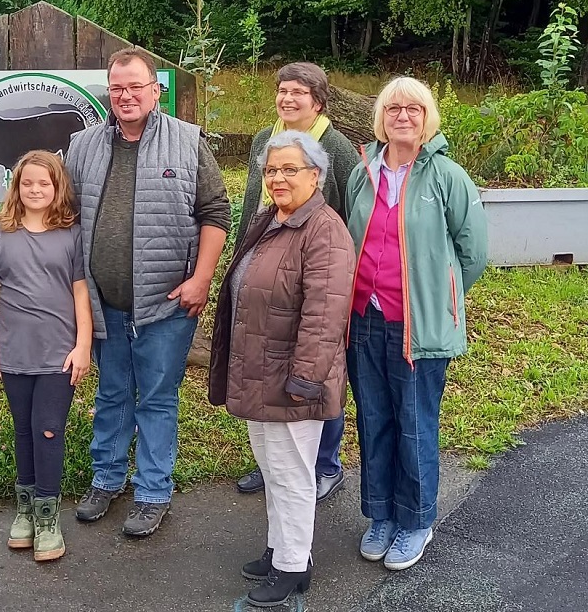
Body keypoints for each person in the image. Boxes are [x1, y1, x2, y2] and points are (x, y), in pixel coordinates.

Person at [0, 48, 231, 537]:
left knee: (156, 399)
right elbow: (45, 199)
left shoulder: (188, 143)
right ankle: (107, 479)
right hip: (104, 304)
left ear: (156, 91)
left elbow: (215, 213)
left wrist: (200, 279)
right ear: (108, 93)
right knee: (113, 394)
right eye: (117, 88)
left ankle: (152, 492)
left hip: (167, 304)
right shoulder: (84, 144)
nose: (126, 95)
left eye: (136, 86)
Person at [346, 77, 487, 571]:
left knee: (414, 425)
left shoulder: (448, 176)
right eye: (393, 108)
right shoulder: (361, 172)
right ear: (381, 118)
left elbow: (473, 254)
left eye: (413, 108)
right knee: (374, 420)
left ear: (427, 118)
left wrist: (439, 301)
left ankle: (416, 520)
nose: (402, 116)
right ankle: (381, 513)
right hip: (363, 320)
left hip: (418, 327)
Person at [209, 130, 355, 607]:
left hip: (293, 379)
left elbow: (326, 312)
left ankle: (294, 567)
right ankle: (280, 550)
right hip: (258, 369)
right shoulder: (270, 219)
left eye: (290, 169)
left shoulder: (325, 229)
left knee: (293, 474)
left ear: (316, 174)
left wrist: (305, 380)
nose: (278, 178)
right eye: (272, 170)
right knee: (274, 469)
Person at [235, 62, 359, 502]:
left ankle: (325, 465)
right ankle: (271, 465)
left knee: (317, 370)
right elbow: (254, 201)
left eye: (298, 93)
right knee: (267, 370)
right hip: (266, 266)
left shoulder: (338, 148)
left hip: (314, 272)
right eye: (282, 91)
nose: (287, 99)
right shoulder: (261, 142)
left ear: (318, 101)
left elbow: (352, 210)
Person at [0, 150, 92, 562]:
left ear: (57, 187)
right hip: (14, 350)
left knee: (47, 429)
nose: (36, 190)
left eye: (44, 183)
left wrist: (84, 345)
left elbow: (81, 291)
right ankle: (25, 509)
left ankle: (48, 515)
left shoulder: (72, 234)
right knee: (22, 429)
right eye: (28, 183)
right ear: (17, 187)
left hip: (58, 352)